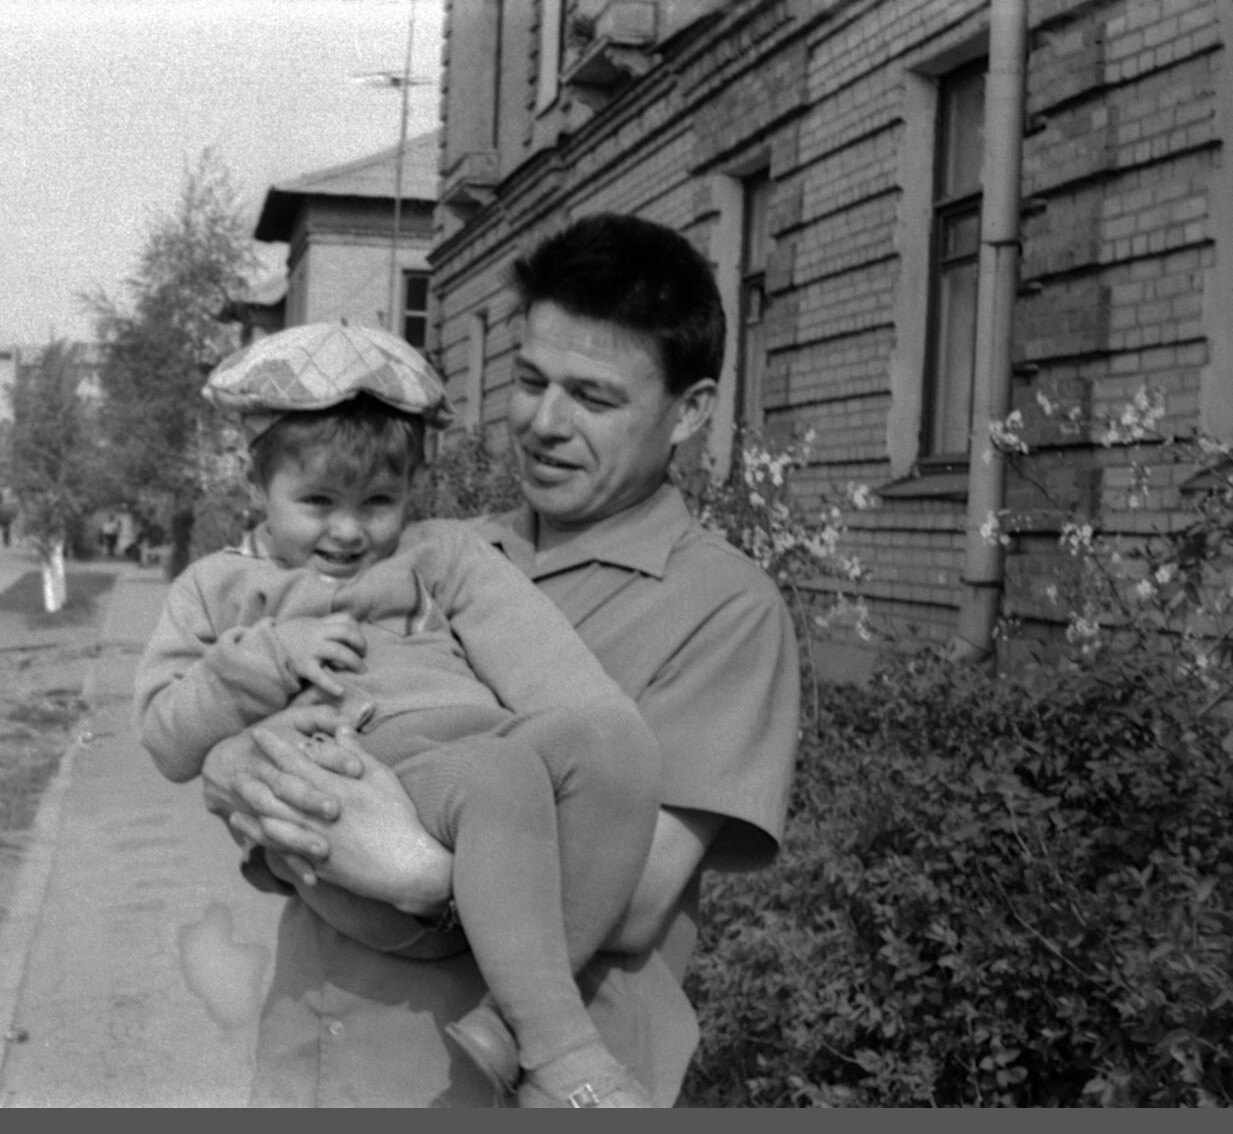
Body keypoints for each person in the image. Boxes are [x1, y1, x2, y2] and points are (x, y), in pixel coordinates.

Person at [199, 214, 802, 1107]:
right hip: (317, 1053)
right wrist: (235, 763)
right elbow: (275, 728)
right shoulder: (423, 551)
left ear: (691, 411)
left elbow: (634, 897)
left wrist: (415, 871)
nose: (543, 423)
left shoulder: (722, 609)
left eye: (592, 398)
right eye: (528, 381)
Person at [133, 321, 664, 1106]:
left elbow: (566, 690)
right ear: (255, 488)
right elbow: (165, 736)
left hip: (475, 772)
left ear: (410, 490)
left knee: (617, 742)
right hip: (362, 800)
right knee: (501, 773)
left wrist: (582, 759)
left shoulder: (437, 556)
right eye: (317, 502)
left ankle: (509, 1022)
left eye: (378, 502)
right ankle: (563, 1054)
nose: (349, 531)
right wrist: (265, 660)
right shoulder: (218, 586)